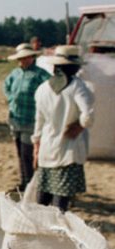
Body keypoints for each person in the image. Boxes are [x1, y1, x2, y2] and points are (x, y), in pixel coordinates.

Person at [32, 45, 94, 212]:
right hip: (68, 151)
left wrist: (36, 148)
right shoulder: (77, 87)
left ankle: (38, 229)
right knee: (61, 201)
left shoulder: (42, 89)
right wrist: (79, 125)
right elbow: (89, 115)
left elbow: (39, 122)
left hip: (47, 148)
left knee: (43, 197)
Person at [4, 43, 50, 192]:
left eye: (25, 58)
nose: (22, 61)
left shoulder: (40, 74)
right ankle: (24, 181)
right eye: (20, 58)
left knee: (27, 154)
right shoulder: (15, 73)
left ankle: (30, 184)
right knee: (20, 152)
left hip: (31, 120)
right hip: (15, 118)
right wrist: (11, 99)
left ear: (32, 57)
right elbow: (6, 87)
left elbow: (50, 91)